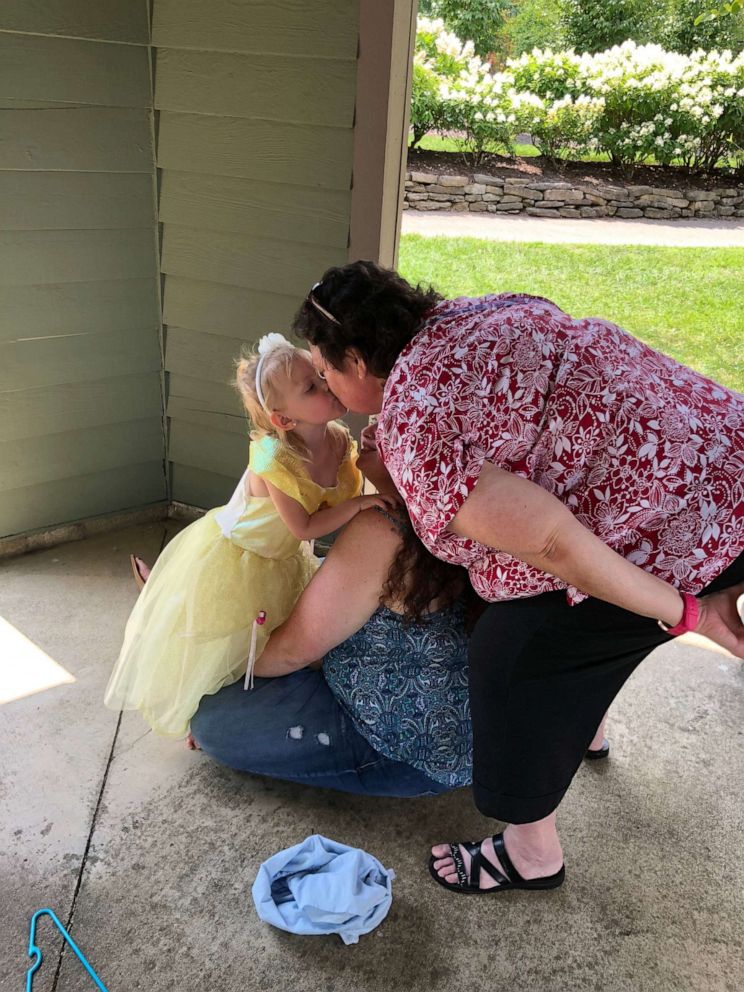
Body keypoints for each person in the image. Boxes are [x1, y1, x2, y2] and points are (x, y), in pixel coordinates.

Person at [292, 260, 744, 895]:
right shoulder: (480, 309)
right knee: (590, 630)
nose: (327, 386)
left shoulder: (415, 419)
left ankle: (531, 854)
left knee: (513, 653)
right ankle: (588, 725)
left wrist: (687, 611)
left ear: (359, 364)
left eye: (325, 370)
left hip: (679, 525)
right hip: (724, 445)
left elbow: (552, 542)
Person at [190, 443, 610, 793]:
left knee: (209, 720)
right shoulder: (500, 512)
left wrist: (213, 677)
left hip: (398, 746)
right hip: (478, 734)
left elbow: (291, 651)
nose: (372, 430)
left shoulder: (384, 529)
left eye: (394, 422)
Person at [105, 334, 394, 738]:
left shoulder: (337, 441)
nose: (327, 384)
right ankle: (198, 711)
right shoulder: (273, 457)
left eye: (321, 374)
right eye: (311, 387)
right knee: (219, 640)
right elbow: (304, 527)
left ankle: (162, 592)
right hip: (239, 556)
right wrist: (360, 504)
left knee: (277, 634)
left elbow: (337, 499)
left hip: (282, 558)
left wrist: (372, 467)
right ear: (284, 420)